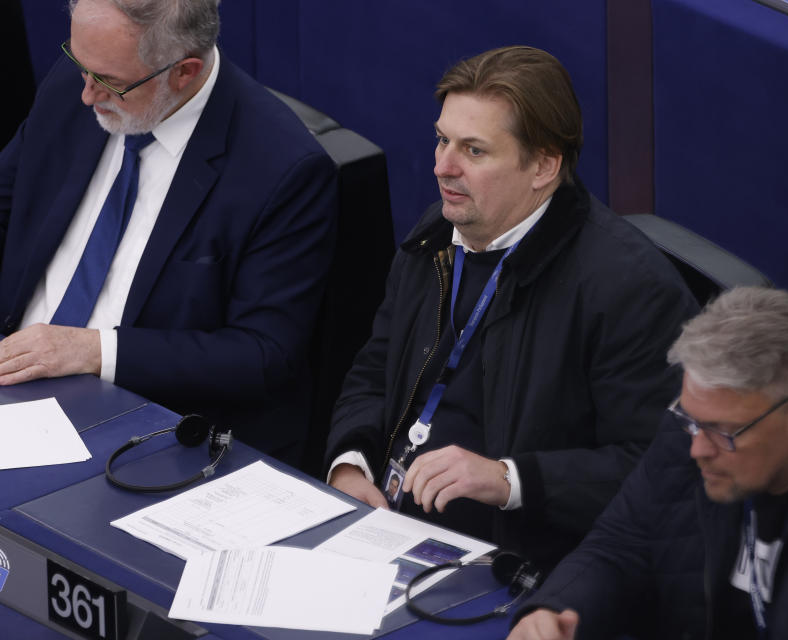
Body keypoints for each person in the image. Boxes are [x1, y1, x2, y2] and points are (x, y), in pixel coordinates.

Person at [324, 45, 698, 571]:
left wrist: (509, 480)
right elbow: (374, 369)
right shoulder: (436, 235)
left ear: (544, 165)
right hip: (383, 530)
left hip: (511, 567)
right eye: (441, 140)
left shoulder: (629, 289)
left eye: (474, 151)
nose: (442, 167)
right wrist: (351, 463)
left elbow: (661, 466)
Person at [509, 287, 788, 639]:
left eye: (722, 433)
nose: (697, 450)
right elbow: (622, 543)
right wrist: (556, 613)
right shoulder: (701, 420)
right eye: (690, 419)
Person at [0, 0, 336, 457]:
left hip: (143, 427)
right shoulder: (83, 75)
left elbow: (262, 355)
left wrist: (93, 350)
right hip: (14, 381)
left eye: (110, 83)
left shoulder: (281, 169)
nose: (86, 95)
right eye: (81, 65)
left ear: (184, 72)